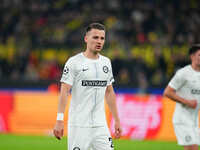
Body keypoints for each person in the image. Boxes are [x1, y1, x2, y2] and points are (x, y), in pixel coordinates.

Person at [53, 23, 122, 150]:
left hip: (100, 125)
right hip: (79, 125)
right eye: (95, 37)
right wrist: (59, 120)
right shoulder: (74, 62)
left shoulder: (106, 62)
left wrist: (117, 120)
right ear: (86, 39)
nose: (99, 41)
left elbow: (109, 92)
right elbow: (64, 92)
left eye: (102, 38)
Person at [163, 44, 200, 150]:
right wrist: (187, 102)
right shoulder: (183, 73)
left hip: (194, 120)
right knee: (192, 148)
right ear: (192, 56)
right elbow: (167, 92)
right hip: (182, 119)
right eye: (199, 55)